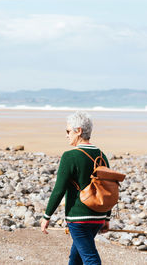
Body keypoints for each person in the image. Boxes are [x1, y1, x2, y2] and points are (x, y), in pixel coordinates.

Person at [41, 111, 111, 265]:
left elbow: (59, 190)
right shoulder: (102, 155)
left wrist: (47, 216)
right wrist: (106, 218)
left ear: (78, 131)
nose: (66, 135)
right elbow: (107, 189)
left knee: (90, 258)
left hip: (79, 218)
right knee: (76, 258)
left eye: (68, 131)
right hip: (98, 217)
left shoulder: (70, 156)